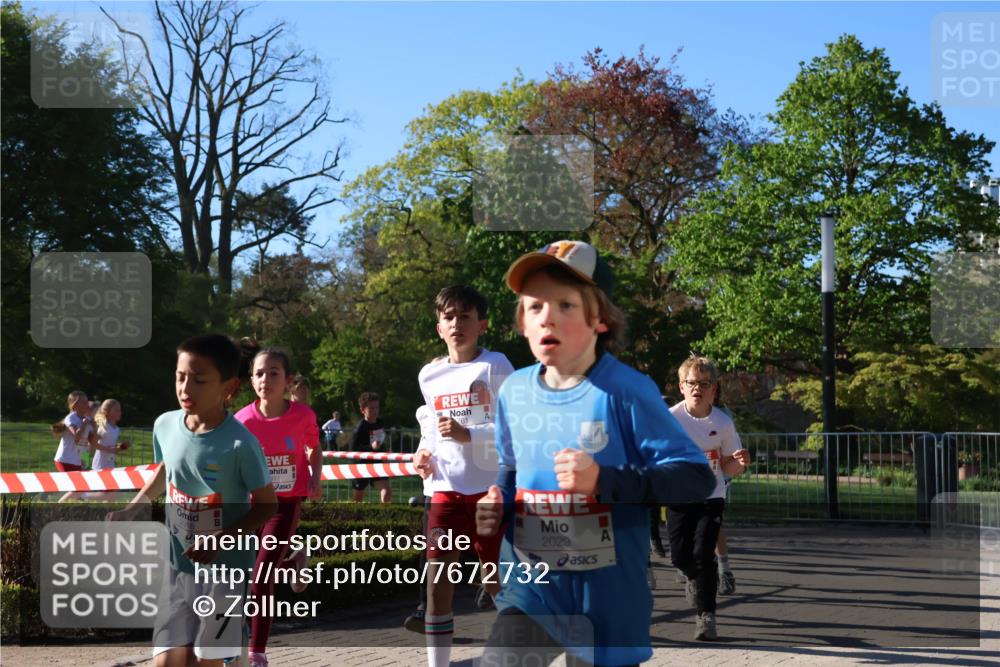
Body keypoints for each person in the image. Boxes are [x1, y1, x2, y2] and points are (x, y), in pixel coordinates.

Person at [476, 240, 715, 666]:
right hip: (533, 585)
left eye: (565, 305)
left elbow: (695, 476)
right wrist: (498, 498)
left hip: (606, 593)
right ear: (523, 323)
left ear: (600, 319)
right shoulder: (514, 392)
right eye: (534, 306)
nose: (547, 316)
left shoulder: (626, 391)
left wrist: (605, 480)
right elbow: (511, 467)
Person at [108, 333, 277, 667]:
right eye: (180, 377)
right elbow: (166, 469)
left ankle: (236, 654)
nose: (186, 388)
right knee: (167, 662)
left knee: (206, 661)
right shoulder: (165, 425)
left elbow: (268, 505)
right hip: (179, 566)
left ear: (228, 388)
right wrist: (133, 508)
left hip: (225, 572)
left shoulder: (241, 444)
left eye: (199, 380)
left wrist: (222, 538)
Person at [411, 285, 514, 667]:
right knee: (438, 581)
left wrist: (470, 434)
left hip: (489, 492)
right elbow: (431, 429)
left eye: (465, 316)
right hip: (445, 491)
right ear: (439, 327)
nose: (457, 323)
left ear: (481, 324)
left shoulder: (496, 366)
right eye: (449, 317)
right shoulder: (429, 375)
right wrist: (423, 455)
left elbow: (515, 428)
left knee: (496, 581)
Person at [234, 345, 322, 667]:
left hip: (285, 504)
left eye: (274, 373)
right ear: (251, 380)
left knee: (261, 576)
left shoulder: (303, 416)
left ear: (287, 381)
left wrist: (316, 477)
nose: (265, 379)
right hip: (252, 506)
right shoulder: (242, 421)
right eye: (259, 373)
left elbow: (314, 448)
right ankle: (295, 562)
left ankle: (257, 653)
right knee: (248, 573)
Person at [667, 355, 751, 641]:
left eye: (704, 384)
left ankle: (706, 617)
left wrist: (739, 462)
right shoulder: (670, 419)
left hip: (711, 495)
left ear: (714, 389)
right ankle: (692, 577)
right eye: (692, 383)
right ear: (682, 386)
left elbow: (729, 467)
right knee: (680, 557)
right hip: (679, 496)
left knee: (703, 554)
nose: (697, 389)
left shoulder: (723, 423)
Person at [404, 405, 436, 634]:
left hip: (476, 489)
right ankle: (425, 608)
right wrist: (419, 459)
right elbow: (426, 442)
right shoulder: (424, 411)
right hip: (435, 492)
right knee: (430, 552)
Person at [350, 392, 391, 503]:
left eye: (377, 407)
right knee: (359, 496)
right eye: (371, 408)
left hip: (377, 463)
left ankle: (385, 518)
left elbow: (381, 441)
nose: (375, 411)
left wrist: (386, 452)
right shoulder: (360, 427)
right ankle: (354, 517)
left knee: (386, 491)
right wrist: (371, 447)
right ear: (363, 410)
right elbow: (353, 449)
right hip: (361, 464)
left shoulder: (380, 423)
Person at [53, 390, 89, 473]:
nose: (87, 404)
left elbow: (89, 442)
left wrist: (86, 460)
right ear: (75, 404)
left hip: (79, 461)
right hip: (65, 460)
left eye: (87, 401)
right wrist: (84, 424)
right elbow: (77, 437)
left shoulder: (87, 419)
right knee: (68, 484)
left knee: (80, 485)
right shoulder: (71, 418)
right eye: (84, 402)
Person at [92, 399, 131, 470]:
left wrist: (122, 446)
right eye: (116, 410)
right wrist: (107, 449)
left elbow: (112, 447)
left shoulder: (117, 429)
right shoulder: (103, 427)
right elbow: (93, 443)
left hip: (110, 464)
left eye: (120, 410)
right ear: (107, 411)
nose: (120, 412)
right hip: (100, 465)